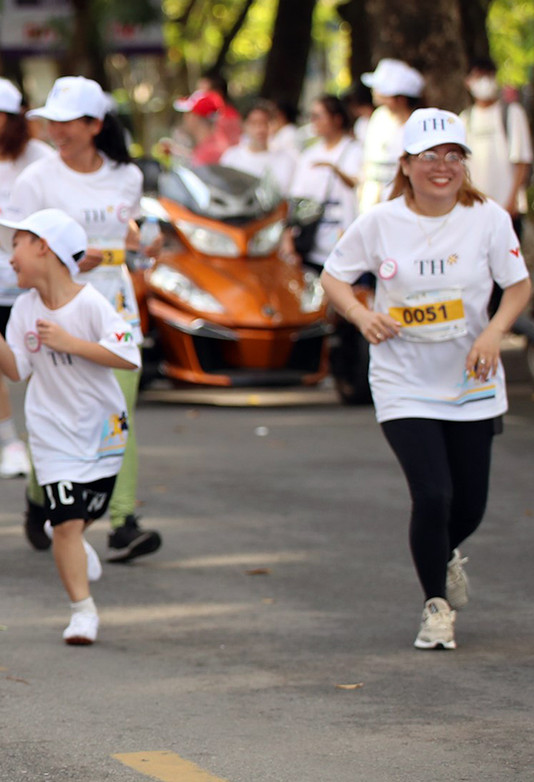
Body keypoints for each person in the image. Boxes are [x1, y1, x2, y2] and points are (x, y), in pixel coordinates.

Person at [319, 109, 531, 650]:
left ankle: (440, 554)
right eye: (430, 157)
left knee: (470, 505)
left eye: (453, 156)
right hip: (403, 379)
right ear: (407, 165)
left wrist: (493, 336)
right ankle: (435, 606)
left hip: (470, 378)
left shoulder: (487, 218)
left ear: (465, 163)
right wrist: (362, 315)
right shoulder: (380, 221)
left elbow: (518, 287)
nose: (443, 166)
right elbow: (334, 277)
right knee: (433, 496)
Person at [10, 76, 163, 562]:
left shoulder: (127, 175)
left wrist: (144, 241)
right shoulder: (37, 179)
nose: (58, 132)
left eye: (68, 123)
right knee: (57, 416)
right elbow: (14, 244)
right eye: (51, 123)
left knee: (117, 415)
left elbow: (128, 225)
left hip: (113, 307)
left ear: (95, 125)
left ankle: (123, 521)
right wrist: (65, 261)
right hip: (55, 311)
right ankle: (41, 498)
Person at [0, 209, 139, 645]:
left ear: (44, 247)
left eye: (17, 246)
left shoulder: (90, 303)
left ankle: (71, 538)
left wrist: (72, 344)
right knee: (66, 522)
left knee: (87, 514)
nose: (10, 259)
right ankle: (82, 611)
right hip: (51, 433)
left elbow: (128, 355)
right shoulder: (24, 309)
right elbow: (15, 370)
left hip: (102, 430)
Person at [0, 76, 57, 481]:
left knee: (44, 366)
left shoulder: (43, 160)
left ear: (12, 117)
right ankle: (11, 446)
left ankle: (47, 442)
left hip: (37, 286)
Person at [285, 96, 361, 270]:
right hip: (311, 243)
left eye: (319, 116)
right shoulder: (309, 155)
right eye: (312, 116)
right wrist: (288, 237)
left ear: (337, 119)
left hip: (344, 242)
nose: (314, 122)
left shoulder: (355, 151)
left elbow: (357, 184)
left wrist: (334, 169)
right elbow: (296, 199)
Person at [461, 57, 532, 241]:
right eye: (478, 76)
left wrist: (512, 201)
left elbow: (522, 160)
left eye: (488, 75)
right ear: (468, 82)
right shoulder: (465, 119)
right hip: (475, 209)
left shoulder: (511, 113)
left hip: (508, 208)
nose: (484, 81)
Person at [357, 58, 424, 214]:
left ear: (400, 98)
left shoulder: (417, 125)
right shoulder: (379, 118)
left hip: (404, 204)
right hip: (372, 203)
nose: (374, 92)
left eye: (381, 90)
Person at [220, 100, 298, 191]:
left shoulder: (286, 158)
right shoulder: (231, 156)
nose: (260, 129)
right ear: (244, 125)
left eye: (265, 123)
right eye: (254, 123)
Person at [172, 89, 232, 166]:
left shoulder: (208, 154)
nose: (184, 118)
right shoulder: (213, 144)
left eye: (187, 113)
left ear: (195, 117)